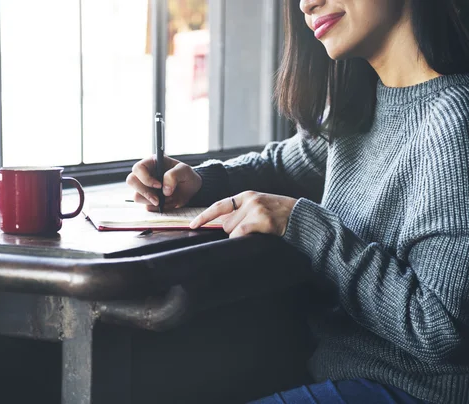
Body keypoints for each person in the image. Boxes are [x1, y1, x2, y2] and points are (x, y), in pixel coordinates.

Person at [127, 0, 469, 402]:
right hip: (338, 374)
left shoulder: (454, 120)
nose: (307, 4)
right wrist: (198, 181)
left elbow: (440, 329)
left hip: (416, 392)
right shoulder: (361, 103)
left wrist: (304, 225)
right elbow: (283, 165)